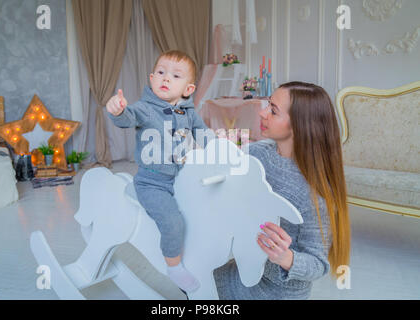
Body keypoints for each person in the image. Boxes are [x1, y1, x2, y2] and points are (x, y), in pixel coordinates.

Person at [214, 81, 351, 299]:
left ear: (298, 125)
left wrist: (284, 257)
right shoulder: (255, 153)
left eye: (273, 110)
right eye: (268, 104)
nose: (261, 112)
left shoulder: (316, 193)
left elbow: (318, 264)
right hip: (241, 268)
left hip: (276, 292)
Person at [106, 50, 212, 293]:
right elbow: (127, 118)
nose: (166, 79)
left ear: (188, 88)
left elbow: (206, 136)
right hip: (152, 182)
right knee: (173, 222)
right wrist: (118, 110)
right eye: (161, 73)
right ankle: (173, 267)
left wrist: (221, 151)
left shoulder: (189, 113)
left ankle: (198, 256)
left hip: (182, 179)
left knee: (198, 215)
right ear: (152, 78)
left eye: (175, 75)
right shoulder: (145, 108)